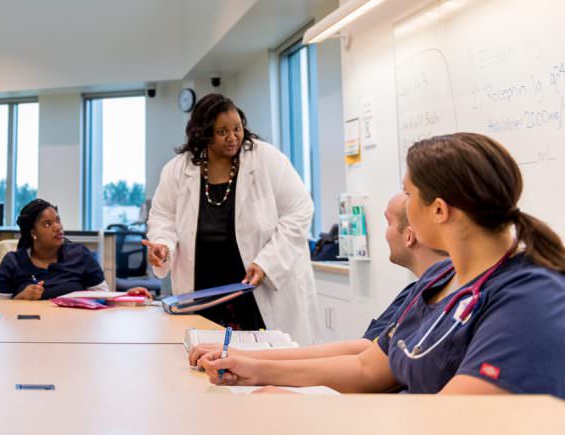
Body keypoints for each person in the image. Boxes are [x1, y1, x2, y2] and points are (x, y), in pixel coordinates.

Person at [197, 133, 565, 398]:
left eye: (407, 193)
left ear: (439, 210)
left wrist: (314, 413)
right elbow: (366, 367)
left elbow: (453, 420)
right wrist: (254, 369)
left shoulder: (530, 297)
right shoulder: (441, 278)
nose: (401, 205)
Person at [188, 192, 446, 366]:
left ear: (409, 236)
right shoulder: (414, 292)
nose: (384, 233)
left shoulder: (436, 303)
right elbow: (364, 351)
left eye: (387, 223)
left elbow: (363, 361)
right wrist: (251, 360)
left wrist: (256, 362)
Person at [146, 93, 319, 344]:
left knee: (265, 360)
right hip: (205, 293)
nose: (233, 137)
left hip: (256, 288)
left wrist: (267, 262)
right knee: (207, 359)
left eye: (237, 128)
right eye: (222, 131)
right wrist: (162, 246)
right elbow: (162, 217)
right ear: (203, 134)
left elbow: (300, 209)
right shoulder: (177, 170)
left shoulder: (266, 159)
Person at [0, 199, 149, 300]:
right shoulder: (12, 262)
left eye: (58, 220)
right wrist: (20, 298)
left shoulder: (80, 255)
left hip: (74, 330)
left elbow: (103, 298)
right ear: (32, 233)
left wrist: (126, 296)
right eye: (47, 224)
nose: (58, 227)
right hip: (25, 334)